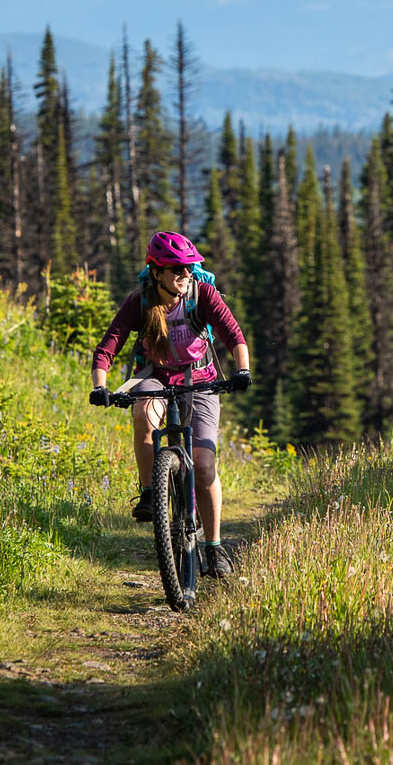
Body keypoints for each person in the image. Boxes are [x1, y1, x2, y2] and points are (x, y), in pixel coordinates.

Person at [88, 231, 251, 578]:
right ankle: (150, 493)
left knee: (204, 466)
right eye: (176, 269)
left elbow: (233, 335)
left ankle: (214, 547)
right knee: (142, 412)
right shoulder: (142, 302)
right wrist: (100, 387)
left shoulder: (200, 294)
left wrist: (242, 370)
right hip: (156, 376)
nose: (184, 275)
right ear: (157, 272)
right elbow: (106, 349)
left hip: (201, 379)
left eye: (189, 268)